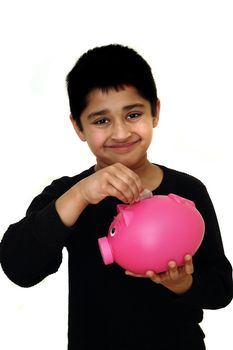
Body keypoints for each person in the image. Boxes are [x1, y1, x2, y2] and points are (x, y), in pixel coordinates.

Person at [0, 44, 232, 350]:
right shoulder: (67, 195)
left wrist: (183, 284)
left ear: (155, 112)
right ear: (78, 127)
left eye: (133, 114)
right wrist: (82, 193)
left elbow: (221, 288)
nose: (121, 133)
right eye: (101, 121)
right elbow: (21, 268)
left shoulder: (187, 191)